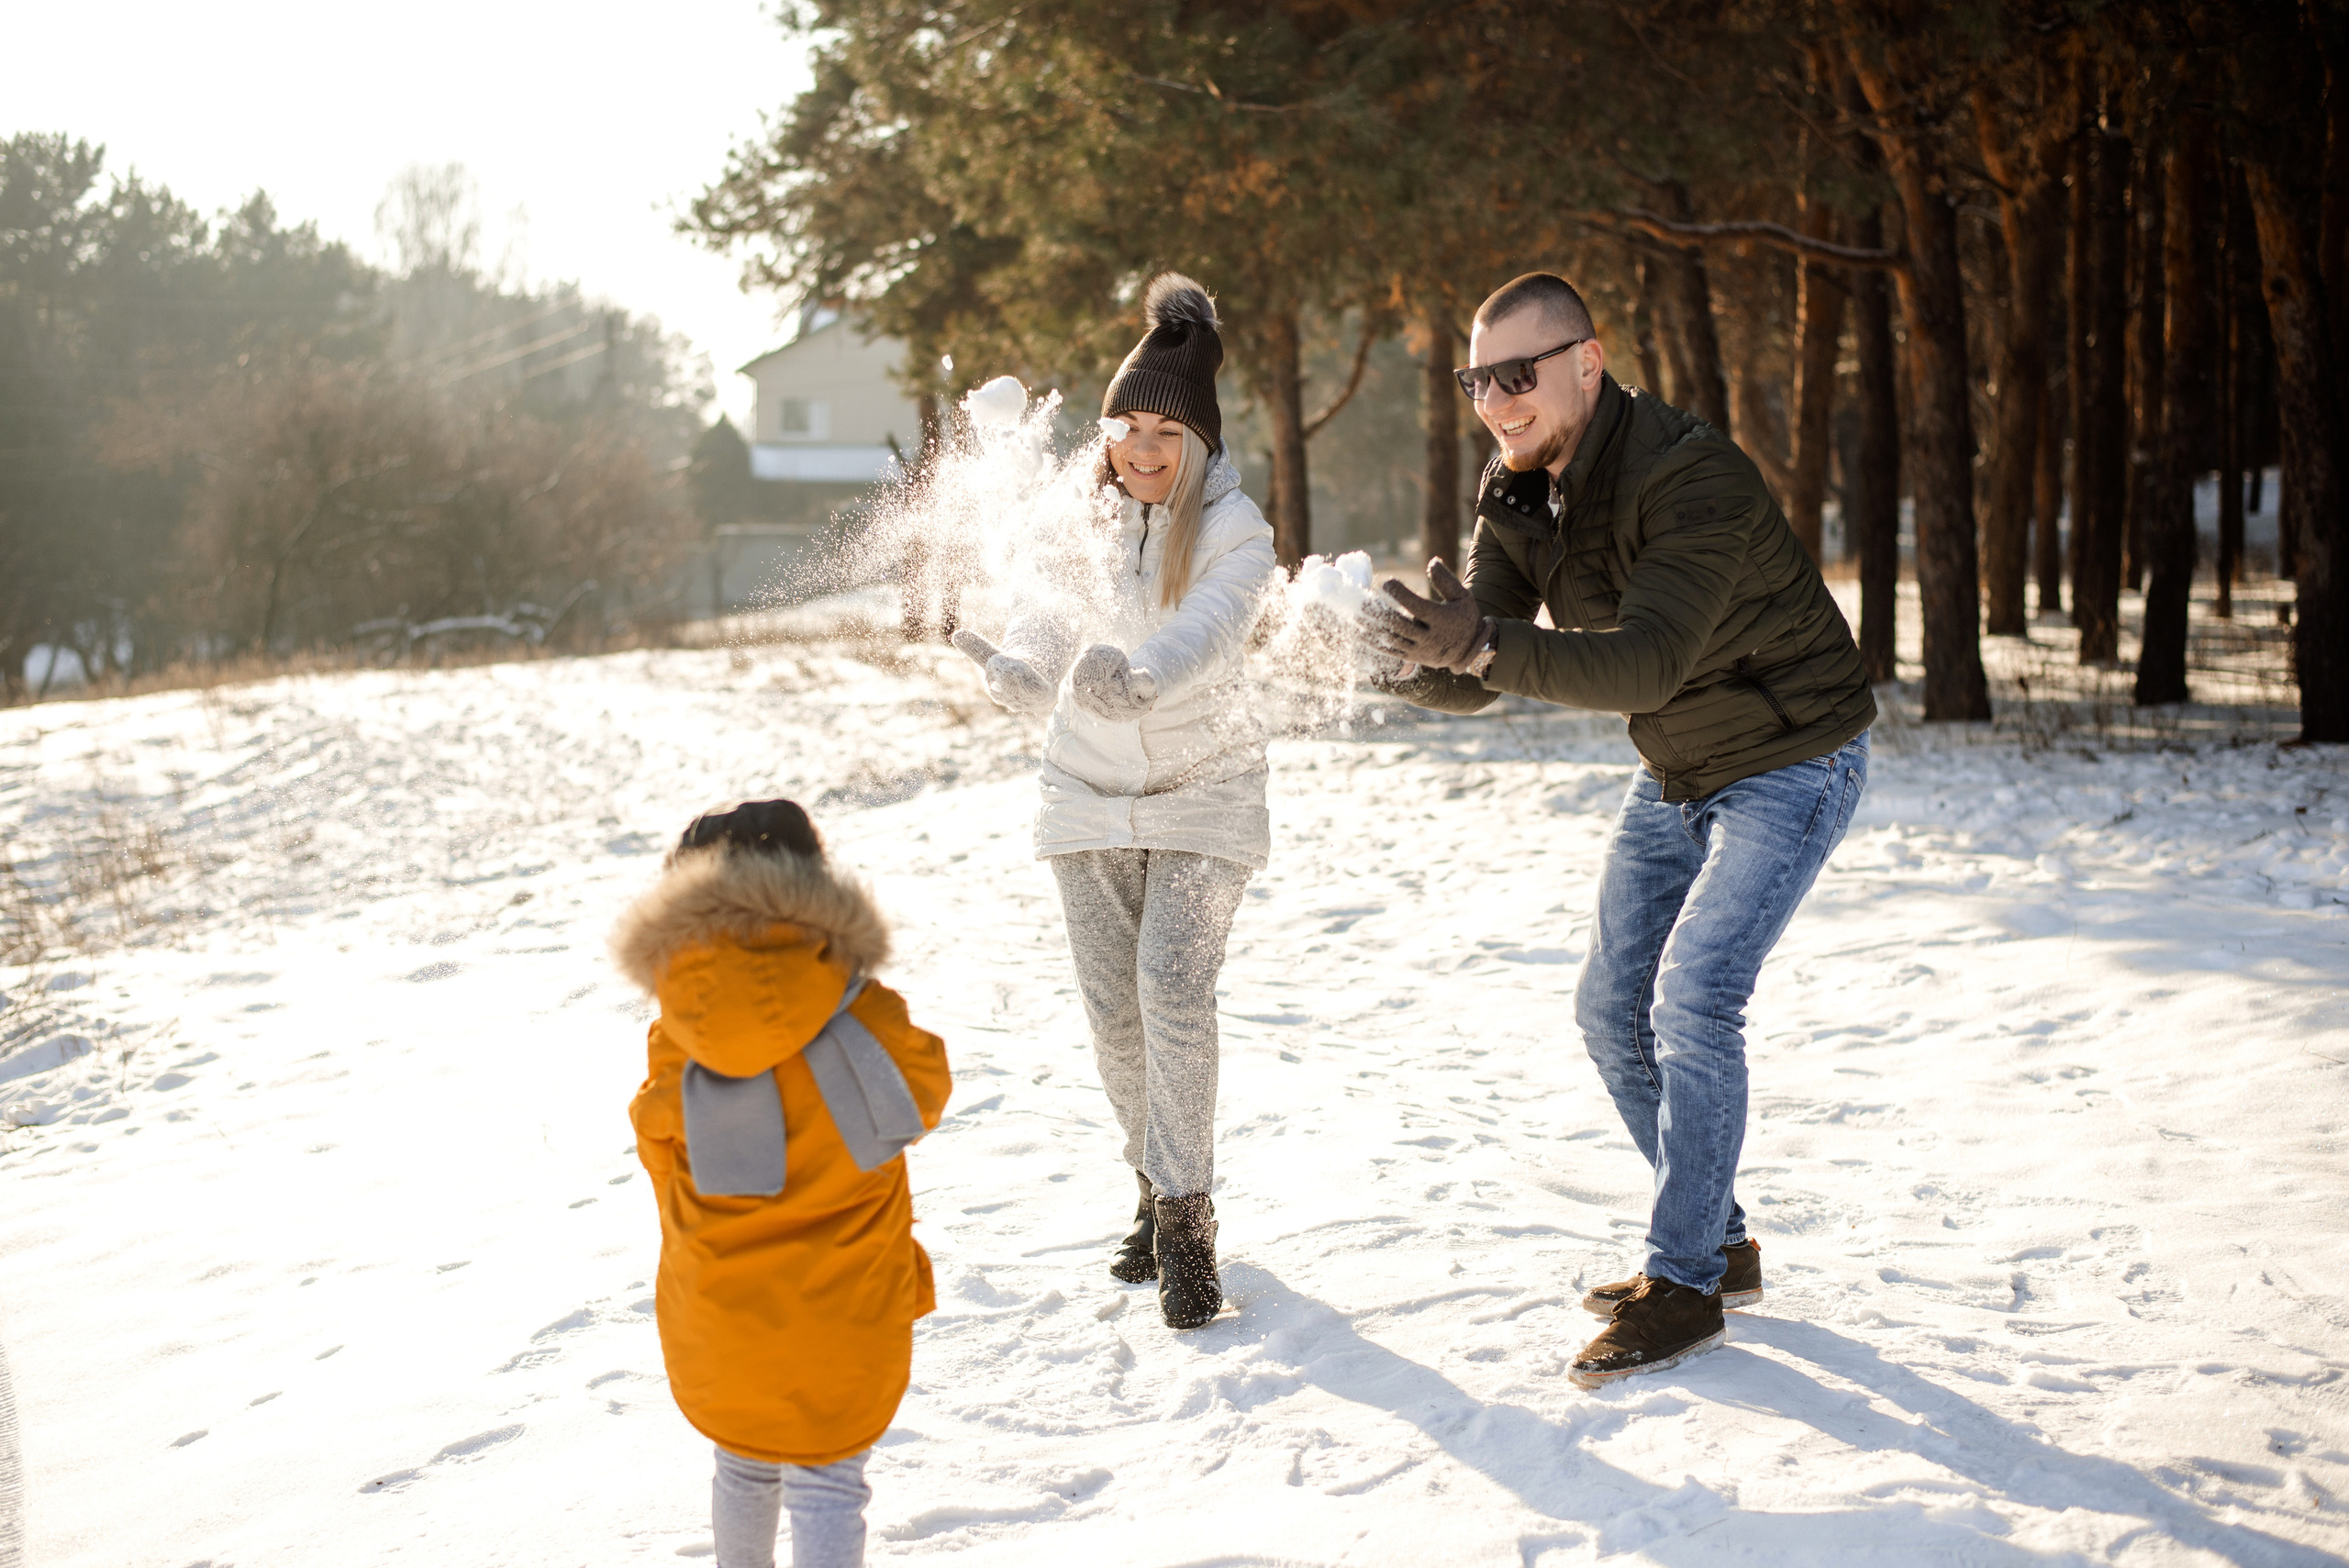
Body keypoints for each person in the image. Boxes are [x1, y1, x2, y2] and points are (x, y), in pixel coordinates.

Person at [1366, 272, 1876, 1388]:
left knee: (1694, 996)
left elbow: (1643, 659)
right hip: (1682, 764)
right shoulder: (1519, 487)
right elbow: (1476, 666)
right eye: (1476, 379)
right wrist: (1390, 655)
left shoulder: (1690, 475)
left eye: (1519, 374)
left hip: (1793, 754)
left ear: (1586, 362)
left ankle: (1683, 1279)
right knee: (1610, 1008)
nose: (1496, 401)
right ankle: (1719, 1236)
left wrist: (1480, 646)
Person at [951, 272, 1275, 1331]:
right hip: (1086, 789)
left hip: (1203, 788)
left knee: (1171, 986)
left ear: (1199, 441)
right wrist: (1024, 667)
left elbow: (1215, 623)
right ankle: (1147, 1178)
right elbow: (1046, 612)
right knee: (1112, 1014)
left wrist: (1146, 675)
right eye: (1123, 425)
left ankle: (1185, 1216)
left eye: (1164, 431)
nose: (1139, 449)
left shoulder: (1236, 529)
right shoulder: (1081, 510)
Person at [611, 799, 952, 1568]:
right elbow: (922, 1094)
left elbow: (659, 1144)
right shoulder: (861, 1012)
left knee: (743, 1459)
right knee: (829, 1480)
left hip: (723, 1306)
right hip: (846, 1300)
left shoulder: (679, 1034)